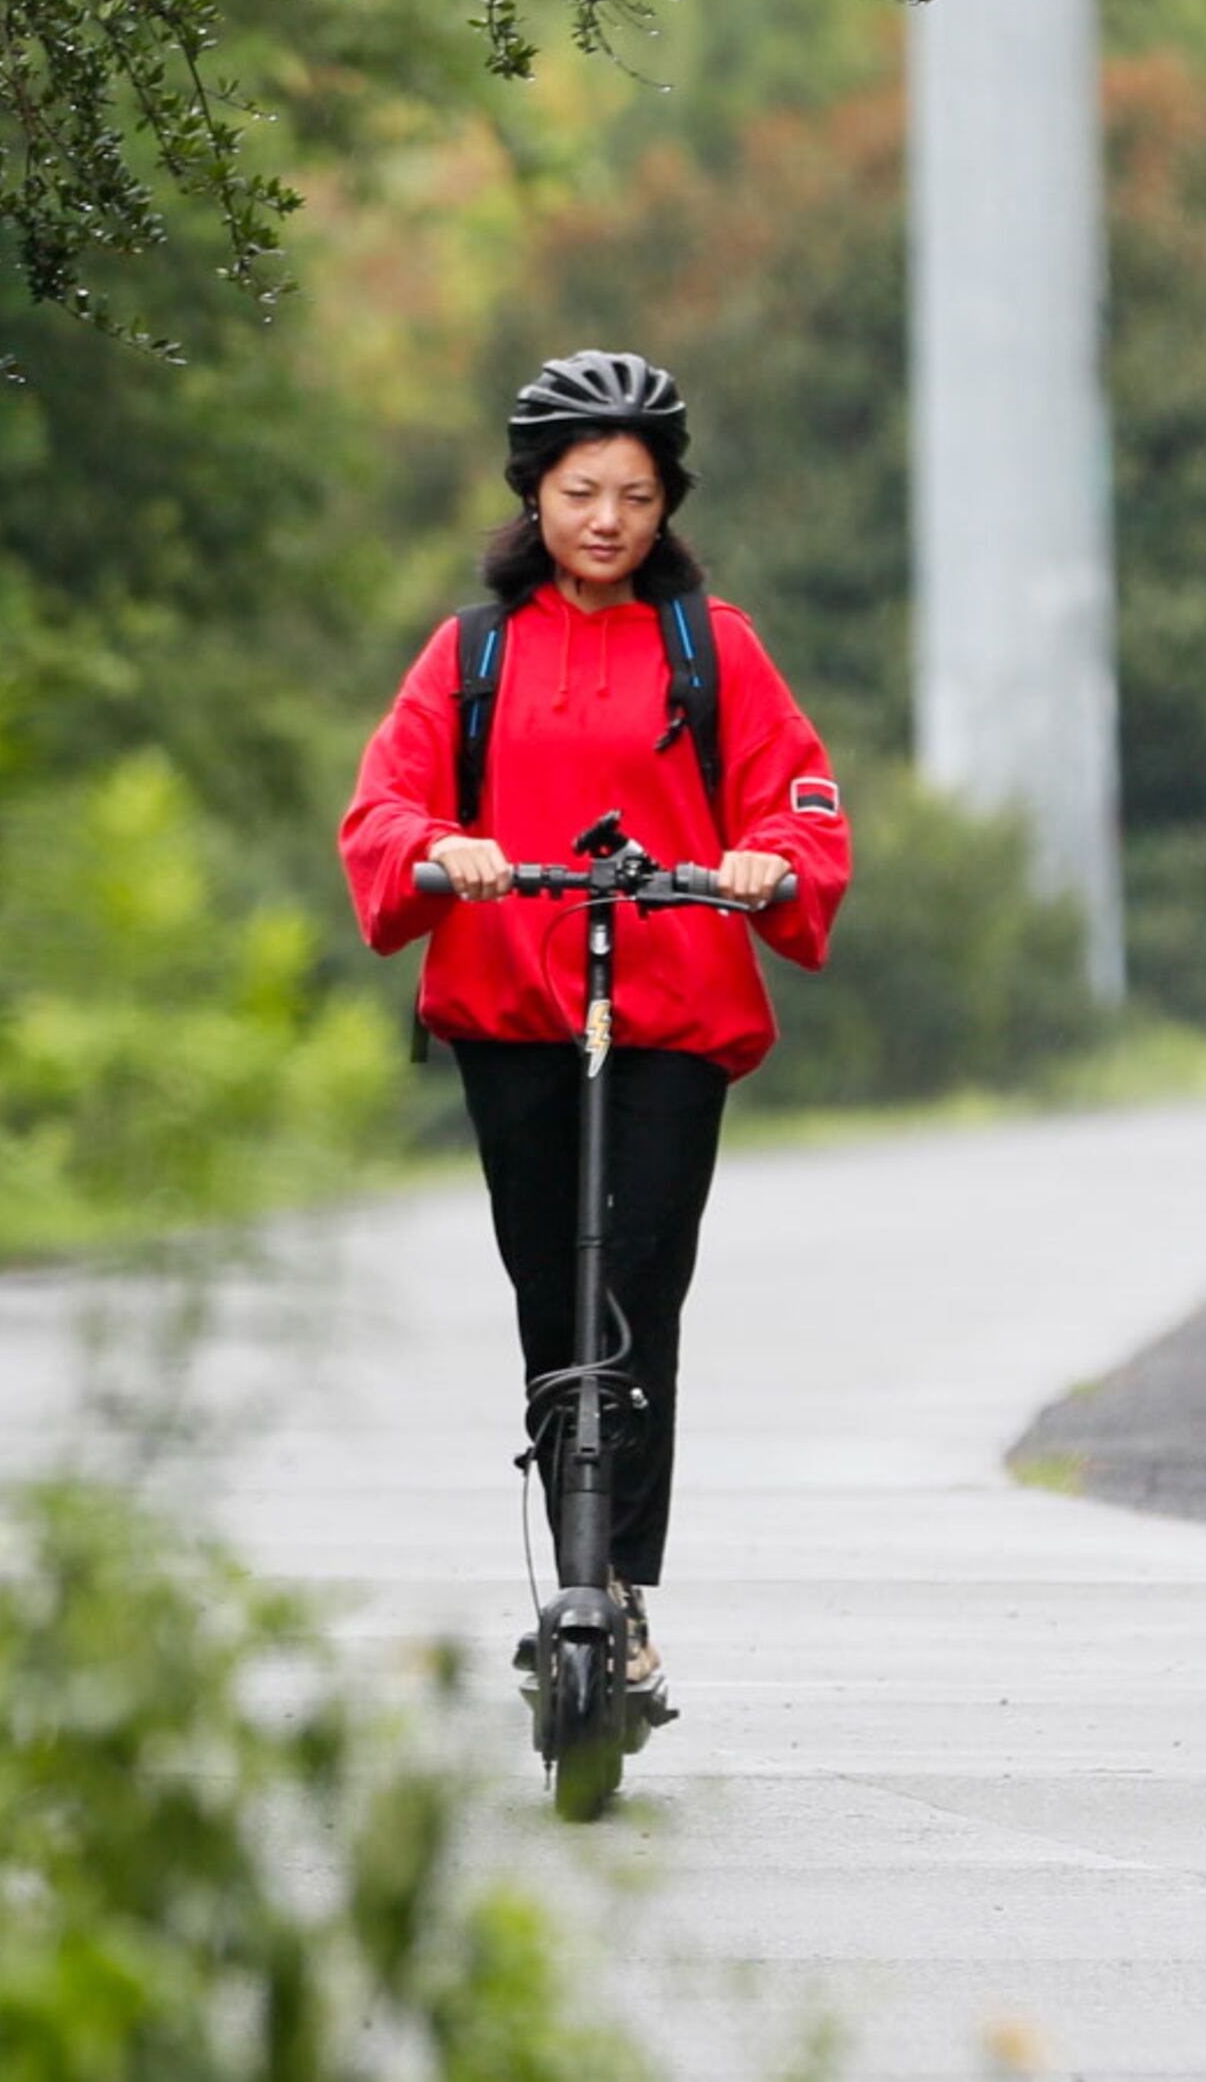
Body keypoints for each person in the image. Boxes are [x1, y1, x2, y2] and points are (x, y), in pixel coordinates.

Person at [339, 350, 852, 1686]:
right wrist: (443, 849)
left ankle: (617, 1586)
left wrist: (764, 859)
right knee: (549, 1294)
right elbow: (383, 807)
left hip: (670, 1012)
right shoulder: (473, 651)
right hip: (513, 1011)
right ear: (534, 496)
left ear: (668, 499)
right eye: (583, 491)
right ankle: (570, 1563)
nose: (610, 518)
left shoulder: (712, 644)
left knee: (637, 1291)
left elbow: (796, 793)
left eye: (636, 491)